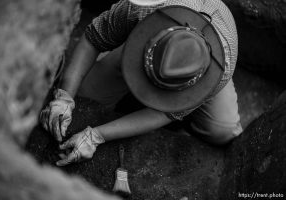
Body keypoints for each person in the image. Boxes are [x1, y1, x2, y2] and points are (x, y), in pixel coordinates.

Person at [40, 0, 243, 166]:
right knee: (85, 100)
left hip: (195, 70)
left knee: (223, 132)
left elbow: (166, 113)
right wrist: (64, 97)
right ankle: (130, 63)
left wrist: (97, 136)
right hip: (143, 50)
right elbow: (93, 38)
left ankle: (178, 94)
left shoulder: (219, 72)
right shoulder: (141, 9)